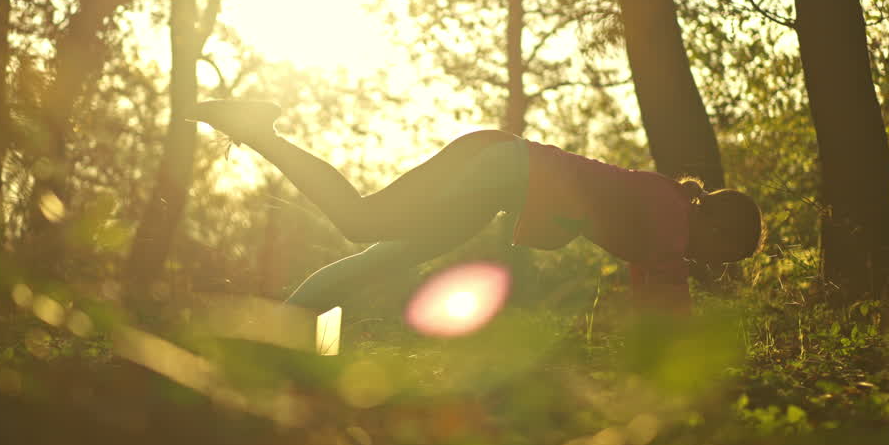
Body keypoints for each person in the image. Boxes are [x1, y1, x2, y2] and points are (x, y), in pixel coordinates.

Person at [189, 99, 763, 317]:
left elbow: (654, 297)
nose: (709, 264)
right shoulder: (670, 215)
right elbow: (667, 306)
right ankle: (258, 130)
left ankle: (287, 331)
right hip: (500, 168)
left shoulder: (663, 220)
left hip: (498, 176)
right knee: (361, 220)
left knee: (378, 255)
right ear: (712, 222)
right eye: (720, 253)